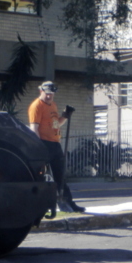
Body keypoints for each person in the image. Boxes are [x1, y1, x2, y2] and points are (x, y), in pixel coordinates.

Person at [28, 81, 85, 213]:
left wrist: (65, 115)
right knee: (41, 176)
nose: (49, 97)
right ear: (41, 91)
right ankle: (39, 205)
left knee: (60, 176)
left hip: (55, 144)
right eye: (47, 94)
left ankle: (68, 203)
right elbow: (34, 128)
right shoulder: (36, 106)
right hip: (43, 144)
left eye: (51, 94)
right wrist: (38, 147)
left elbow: (56, 124)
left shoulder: (53, 105)